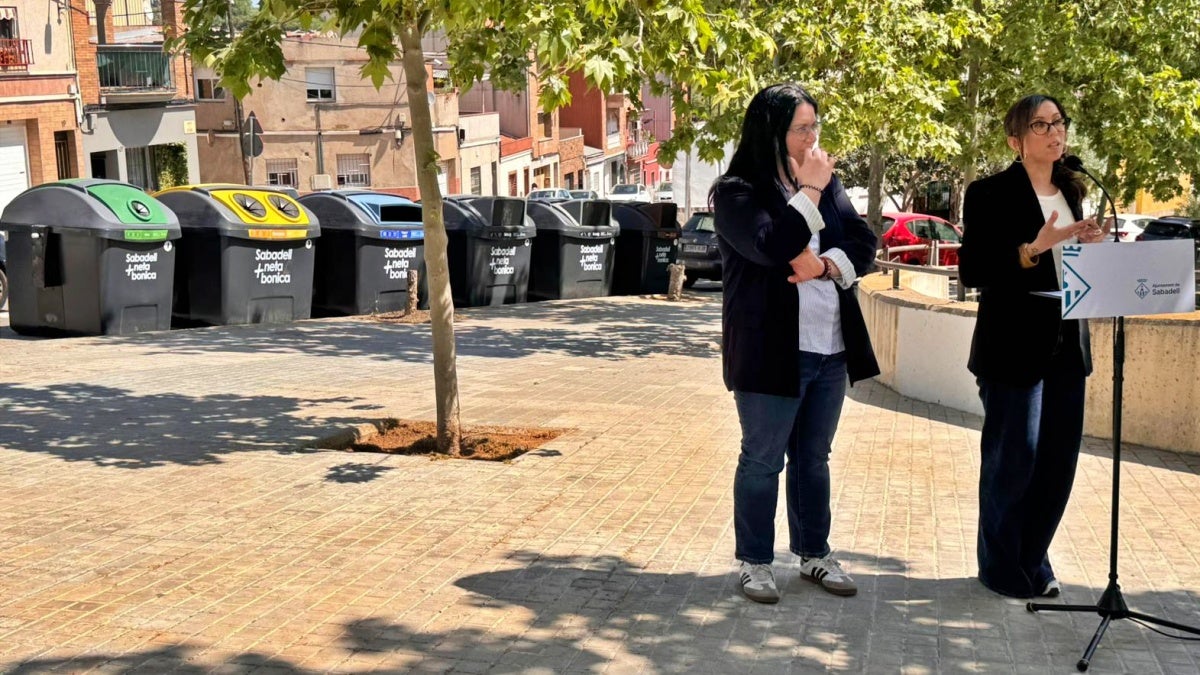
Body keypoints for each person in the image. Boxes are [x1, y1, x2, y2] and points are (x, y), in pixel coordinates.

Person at [711, 83, 880, 603]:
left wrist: (829, 264)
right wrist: (806, 194)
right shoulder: (738, 191)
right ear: (772, 131)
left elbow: (863, 240)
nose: (812, 137)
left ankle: (814, 554)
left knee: (813, 457)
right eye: (801, 128)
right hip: (770, 348)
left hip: (828, 344)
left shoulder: (826, 182)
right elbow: (772, 246)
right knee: (763, 458)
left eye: (815, 127)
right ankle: (755, 562)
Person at [958, 94, 1110, 599]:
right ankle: (1001, 568)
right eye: (1040, 125)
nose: (1054, 132)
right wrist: (1031, 250)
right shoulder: (989, 193)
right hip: (1012, 342)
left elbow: (1075, 270)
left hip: (1068, 340)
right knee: (1013, 459)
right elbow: (973, 269)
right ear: (1015, 141)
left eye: (1058, 123)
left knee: (1057, 462)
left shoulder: (1072, 189)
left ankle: (1033, 558)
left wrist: (1089, 247)